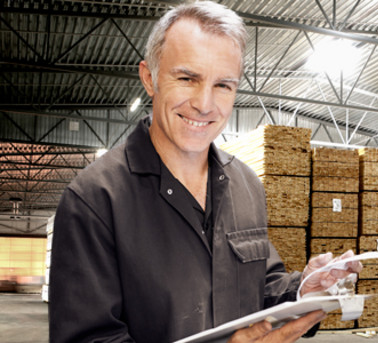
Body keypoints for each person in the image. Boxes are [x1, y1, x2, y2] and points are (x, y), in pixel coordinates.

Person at [48, 2, 361, 342]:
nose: (205, 104)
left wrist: (301, 292)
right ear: (149, 78)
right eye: (187, 78)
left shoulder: (246, 185)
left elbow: (259, 286)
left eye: (223, 85)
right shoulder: (94, 199)